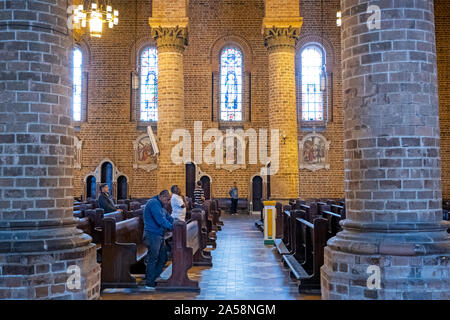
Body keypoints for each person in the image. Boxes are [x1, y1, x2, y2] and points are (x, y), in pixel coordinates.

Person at [143, 190, 174, 290]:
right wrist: (173, 227)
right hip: (152, 234)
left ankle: (154, 276)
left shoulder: (160, 204)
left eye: (169, 199)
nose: (168, 202)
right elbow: (160, 220)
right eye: (167, 199)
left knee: (163, 257)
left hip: (159, 234)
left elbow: (167, 216)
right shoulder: (154, 203)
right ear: (161, 196)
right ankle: (149, 283)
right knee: (153, 258)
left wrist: (177, 223)